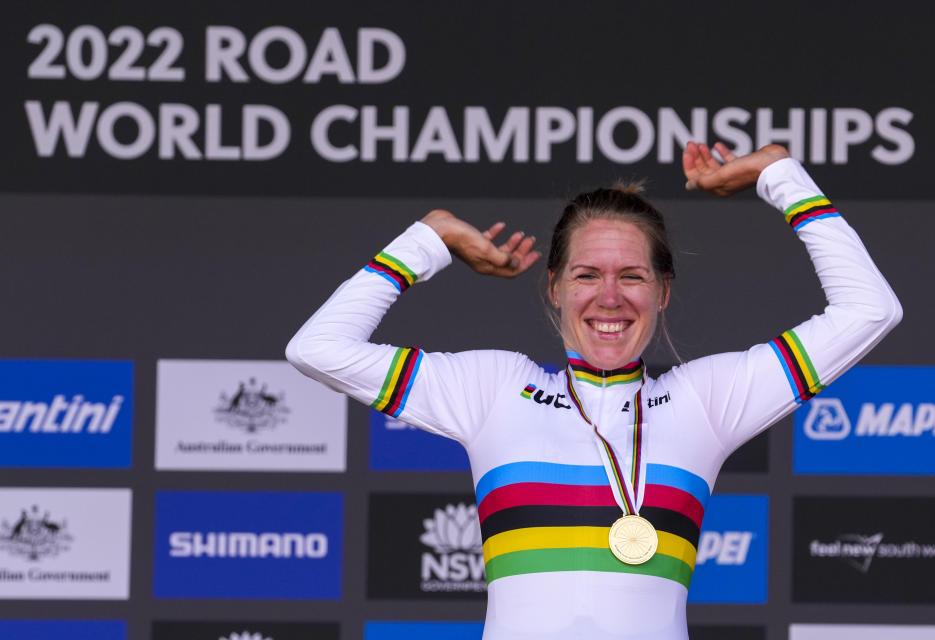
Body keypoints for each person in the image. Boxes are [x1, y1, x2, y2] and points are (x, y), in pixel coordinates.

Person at [286, 142, 901, 639]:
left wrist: (779, 175)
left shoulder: (704, 400)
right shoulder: (494, 388)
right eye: (587, 275)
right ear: (554, 287)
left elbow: (869, 309)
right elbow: (317, 348)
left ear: (662, 290)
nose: (609, 298)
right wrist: (431, 238)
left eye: (631, 276)